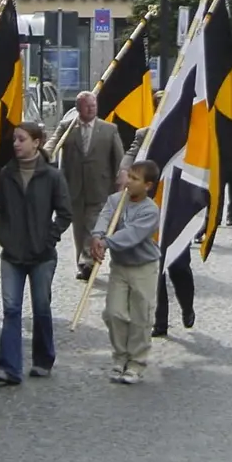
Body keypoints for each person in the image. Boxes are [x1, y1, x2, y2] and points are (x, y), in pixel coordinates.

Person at [0, 123, 72, 385]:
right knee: (11, 309)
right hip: (12, 255)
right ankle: (9, 367)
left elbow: (65, 213)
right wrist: (4, 236)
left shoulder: (52, 176)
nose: (16, 144)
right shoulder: (5, 175)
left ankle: (43, 359)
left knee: (41, 308)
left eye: (21, 139)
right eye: (14, 139)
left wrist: (50, 237)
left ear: (36, 142)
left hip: (42, 255)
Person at [118, 101, 196, 338]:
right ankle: (159, 322)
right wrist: (125, 173)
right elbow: (128, 158)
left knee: (179, 266)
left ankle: (187, 306)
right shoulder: (145, 134)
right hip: (149, 212)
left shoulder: (189, 136)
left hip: (176, 211)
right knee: (155, 267)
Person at [91, 160, 163, 385]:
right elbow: (104, 218)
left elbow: (133, 235)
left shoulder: (150, 210)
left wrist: (107, 242)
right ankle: (120, 357)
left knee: (142, 317)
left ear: (148, 185)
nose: (128, 182)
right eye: (128, 176)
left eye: (134, 179)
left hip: (144, 267)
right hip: (120, 267)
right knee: (114, 313)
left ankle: (136, 363)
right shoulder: (115, 199)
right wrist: (97, 236)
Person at [58, 92, 125, 283]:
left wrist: (120, 178)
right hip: (75, 187)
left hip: (100, 186)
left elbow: (119, 158)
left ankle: (88, 261)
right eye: (87, 106)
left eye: (93, 105)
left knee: (92, 226)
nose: (91, 109)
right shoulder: (68, 127)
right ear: (78, 108)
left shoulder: (109, 129)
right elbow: (54, 143)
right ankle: (83, 263)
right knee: (79, 228)